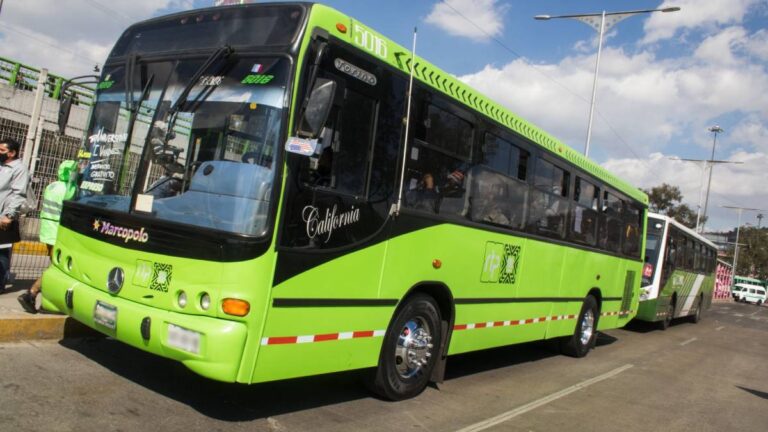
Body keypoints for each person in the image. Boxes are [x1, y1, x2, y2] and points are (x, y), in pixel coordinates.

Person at [18, 160, 77, 313]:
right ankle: (32, 294)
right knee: (57, 268)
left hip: (47, 231)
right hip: (58, 233)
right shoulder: (69, 190)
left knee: (55, 266)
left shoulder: (52, 186)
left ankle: (45, 300)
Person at [0, 137, 30, 294]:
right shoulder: (2, 165)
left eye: (2, 150)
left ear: (12, 153)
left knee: (2, 251)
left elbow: (19, 194)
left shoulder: (19, 169)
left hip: (3, 216)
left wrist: (9, 216)